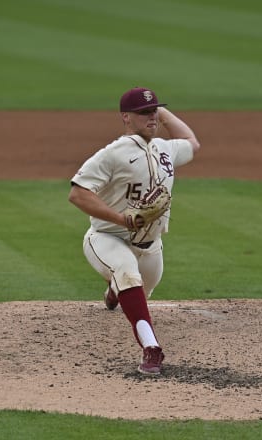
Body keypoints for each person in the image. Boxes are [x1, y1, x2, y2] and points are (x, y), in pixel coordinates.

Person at [68, 87, 200, 375]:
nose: (151, 117)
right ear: (126, 117)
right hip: (107, 238)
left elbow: (192, 142)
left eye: (153, 111)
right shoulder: (112, 154)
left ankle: (115, 292)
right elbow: (78, 194)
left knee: (142, 287)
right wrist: (120, 219)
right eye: (143, 113)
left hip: (151, 245)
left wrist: (160, 111)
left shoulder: (166, 148)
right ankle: (151, 349)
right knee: (128, 273)